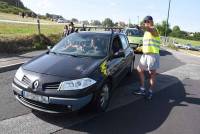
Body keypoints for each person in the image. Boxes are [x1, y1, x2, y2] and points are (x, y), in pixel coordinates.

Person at [133, 16, 161, 100]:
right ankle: (142, 89)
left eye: (147, 21)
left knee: (152, 74)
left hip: (153, 55)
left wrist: (140, 26)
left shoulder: (154, 30)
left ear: (151, 21)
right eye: (145, 21)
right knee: (139, 69)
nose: (146, 22)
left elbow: (149, 29)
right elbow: (147, 43)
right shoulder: (146, 33)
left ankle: (150, 91)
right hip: (145, 55)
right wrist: (140, 48)